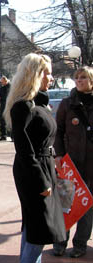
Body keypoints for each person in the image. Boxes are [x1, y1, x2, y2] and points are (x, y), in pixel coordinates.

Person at [3, 53, 66, 263]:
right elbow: (24, 150)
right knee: (39, 228)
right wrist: (42, 180)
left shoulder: (39, 104)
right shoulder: (23, 106)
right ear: (34, 76)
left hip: (43, 167)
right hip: (33, 171)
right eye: (47, 74)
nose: (51, 78)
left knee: (33, 227)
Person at [53, 66, 93, 258]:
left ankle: (80, 245)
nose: (79, 81)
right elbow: (58, 132)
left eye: (84, 77)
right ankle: (59, 243)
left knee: (86, 206)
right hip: (70, 164)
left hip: (91, 165)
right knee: (64, 206)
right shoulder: (67, 104)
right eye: (77, 78)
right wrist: (59, 155)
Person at [0, 76, 11, 141]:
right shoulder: (2, 88)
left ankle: (13, 136)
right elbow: (0, 96)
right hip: (3, 105)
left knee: (10, 120)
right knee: (2, 120)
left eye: (2, 82)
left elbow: (7, 96)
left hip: (9, 105)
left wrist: (1, 98)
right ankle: (3, 135)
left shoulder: (10, 86)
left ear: (5, 80)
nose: (1, 83)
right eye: (1, 82)